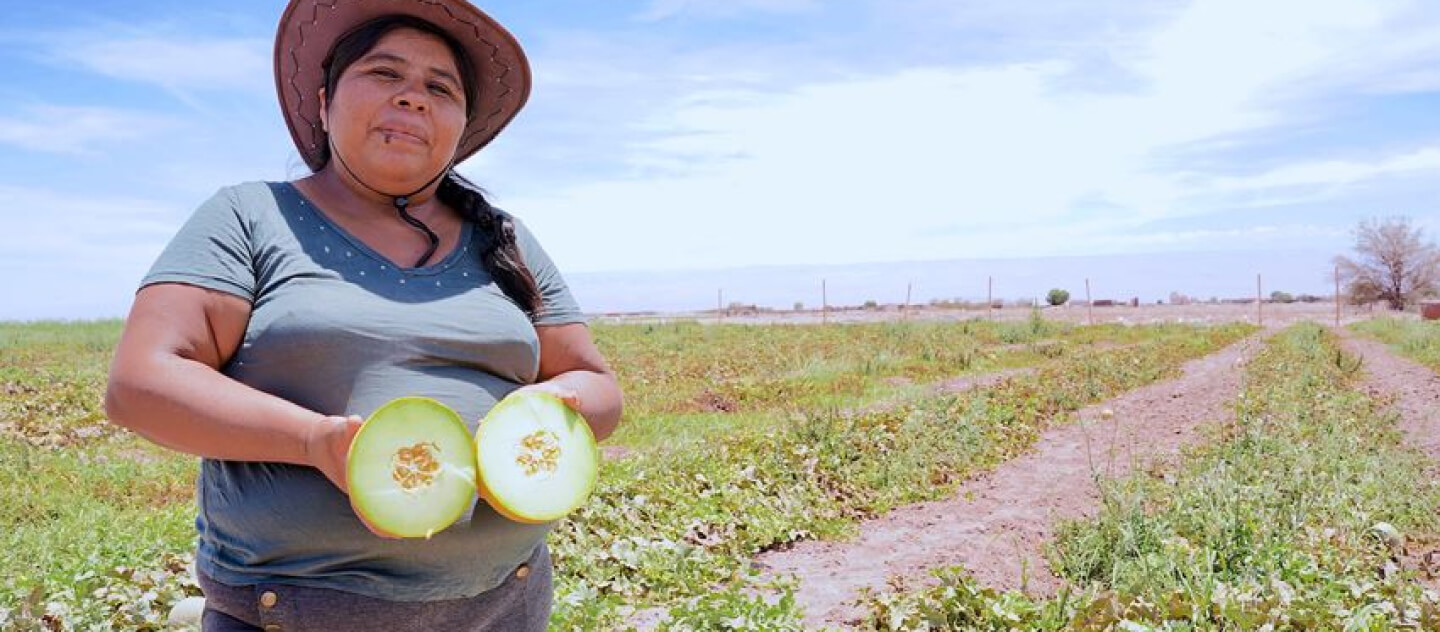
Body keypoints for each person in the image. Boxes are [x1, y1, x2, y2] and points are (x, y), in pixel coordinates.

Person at [104, 0, 622, 629]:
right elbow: (142, 384)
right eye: (384, 74)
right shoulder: (249, 215)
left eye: (440, 87)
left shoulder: (504, 239)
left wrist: (558, 404)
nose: (413, 98)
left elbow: (598, 387)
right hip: (293, 610)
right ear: (324, 102)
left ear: (459, 126)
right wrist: (314, 442)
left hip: (504, 606)